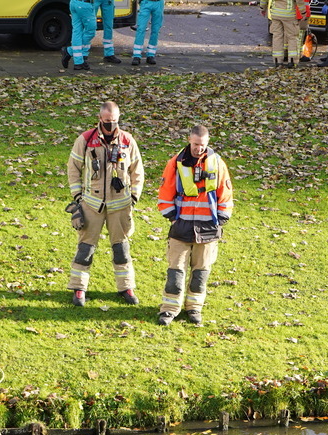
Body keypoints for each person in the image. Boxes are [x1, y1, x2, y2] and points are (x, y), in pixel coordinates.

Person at [66, 101, 145, 307]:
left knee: (122, 249)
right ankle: (78, 289)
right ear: (100, 118)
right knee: (86, 248)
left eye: (115, 121)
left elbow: (138, 171)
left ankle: (126, 287)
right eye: (108, 121)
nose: (111, 125)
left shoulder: (128, 141)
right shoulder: (85, 140)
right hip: (91, 205)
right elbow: (73, 168)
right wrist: (77, 197)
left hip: (120, 205)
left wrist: (134, 197)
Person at [155, 125, 233, 326]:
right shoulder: (176, 163)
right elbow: (164, 194)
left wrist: (221, 219)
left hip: (207, 229)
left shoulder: (217, 164)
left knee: (201, 273)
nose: (199, 148)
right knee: (175, 272)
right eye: (196, 144)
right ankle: (170, 309)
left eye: (203, 145)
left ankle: (194, 308)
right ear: (189, 139)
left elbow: (225, 194)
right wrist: (173, 218)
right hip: (181, 228)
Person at [262, 0, 303, 68]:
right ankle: (292, 61)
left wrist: (263, 8)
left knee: (277, 37)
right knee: (292, 37)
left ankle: (278, 61)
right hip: (289, 15)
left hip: (275, 14)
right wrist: (303, 12)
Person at [61, 0, 98, 72]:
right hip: (85, 5)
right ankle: (70, 51)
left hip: (74, 3)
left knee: (77, 31)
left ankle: (78, 62)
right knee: (90, 31)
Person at [132, 0, 165, 66]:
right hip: (146, 2)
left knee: (156, 30)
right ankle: (136, 55)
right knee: (141, 28)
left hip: (158, 3)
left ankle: (151, 55)